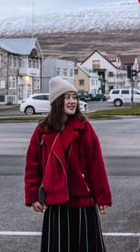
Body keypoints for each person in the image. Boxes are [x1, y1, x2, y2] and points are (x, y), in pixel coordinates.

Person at [25, 77, 112, 251]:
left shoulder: (84, 128)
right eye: (67, 97)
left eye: (75, 97)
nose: (73, 101)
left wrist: (102, 196)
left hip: (82, 201)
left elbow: (96, 165)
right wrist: (33, 196)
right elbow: (33, 166)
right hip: (56, 203)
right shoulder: (42, 130)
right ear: (57, 101)